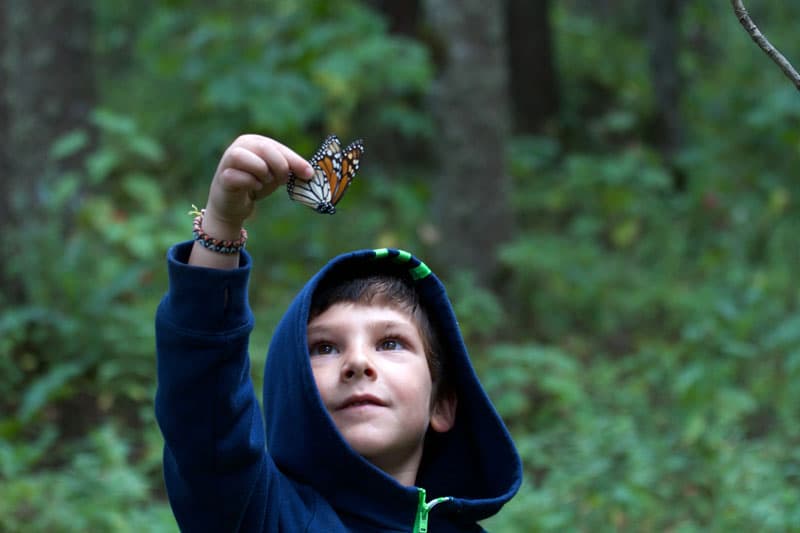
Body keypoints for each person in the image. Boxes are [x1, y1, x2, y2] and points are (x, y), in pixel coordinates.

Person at [155, 134, 522, 532]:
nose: (358, 363)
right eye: (325, 347)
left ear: (443, 405)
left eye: (391, 343)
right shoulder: (263, 516)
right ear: (290, 389)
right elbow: (207, 415)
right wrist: (221, 228)